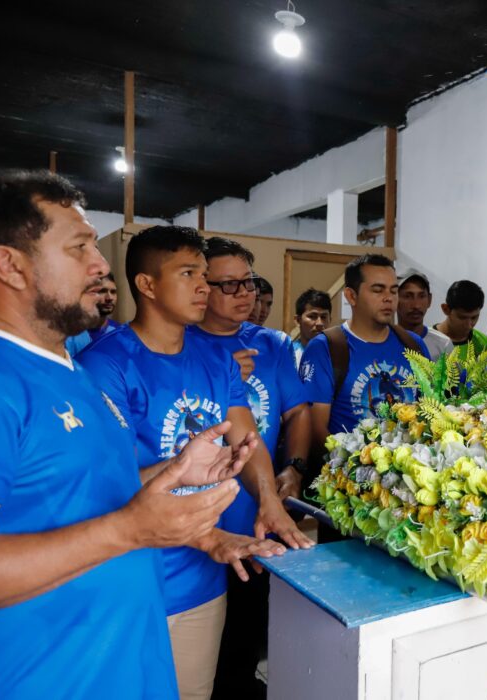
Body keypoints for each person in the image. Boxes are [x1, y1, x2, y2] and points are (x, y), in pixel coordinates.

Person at [0, 170, 250, 699]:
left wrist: (169, 474)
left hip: (125, 663)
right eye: (79, 247)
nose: (101, 265)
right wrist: (130, 529)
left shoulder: (65, 368)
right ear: (8, 265)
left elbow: (79, 492)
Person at [78, 226, 306, 700]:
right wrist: (182, 475)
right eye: (188, 274)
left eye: (205, 275)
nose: (204, 286)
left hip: (204, 578)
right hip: (133, 578)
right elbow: (103, 483)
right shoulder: (108, 365)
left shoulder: (215, 358)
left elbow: (246, 438)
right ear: (147, 285)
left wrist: (268, 499)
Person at [186, 237, 311, 700]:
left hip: (257, 515)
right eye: (230, 284)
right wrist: (221, 379)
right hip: (194, 527)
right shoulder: (180, 343)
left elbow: (295, 413)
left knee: (244, 640)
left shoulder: (273, 344)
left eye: (251, 283)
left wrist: (293, 468)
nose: (246, 293)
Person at [300, 254, 427, 465]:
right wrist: (360, 469)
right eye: (378, 290)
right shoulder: (326, 348)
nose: (389, 298)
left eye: (393, 290)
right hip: (348, 479)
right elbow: (314, 429)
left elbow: (428, 410)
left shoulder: (413, 345)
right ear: (351, 296)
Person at [397, 268, 453, 358]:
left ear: (429, 300)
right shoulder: (383, 342)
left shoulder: (443, 345)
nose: (416, 305)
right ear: (394, 299)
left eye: (422, 296)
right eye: (407, 296)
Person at [434, 279, 487, 363]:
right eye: (462, 318)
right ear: (446, 309)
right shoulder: (425, 342)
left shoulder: (485, 345)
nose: (468, 325)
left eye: (474, 317)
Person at [291, 287, 332, 366]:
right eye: (312, 316)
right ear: (297, 320)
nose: (319, 323)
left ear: (330, 320)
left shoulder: (340, 356)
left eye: (323, 317)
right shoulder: (288, 355)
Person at [88, 271, 121, 342]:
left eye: (113, 292)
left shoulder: (120, 333)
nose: (109, 298)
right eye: (102, 291)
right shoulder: (71, 335)